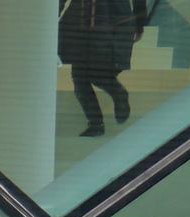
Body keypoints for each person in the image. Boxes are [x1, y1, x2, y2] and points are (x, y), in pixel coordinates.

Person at [61, 0, 149, 138]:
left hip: (110, 20)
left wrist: (140, 22)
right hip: (82, 19)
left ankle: (118, 95)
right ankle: (96, 124)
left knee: (96, 73)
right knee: (79, 76)